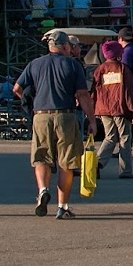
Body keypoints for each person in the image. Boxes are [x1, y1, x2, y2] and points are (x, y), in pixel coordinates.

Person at [14, 28, 93, 219]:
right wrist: (92, 119)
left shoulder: (35, 64)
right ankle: (62, 206)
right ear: (65, 46)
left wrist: (34, 104)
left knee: (41, 157)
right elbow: (82, 94)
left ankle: (42, 190)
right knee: (66, 161)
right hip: (66, 115)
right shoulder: (73, 65)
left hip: (40, 115)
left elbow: (17, 88)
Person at [92, 40, 133, 178]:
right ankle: (125, 170)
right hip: (120, 109)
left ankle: (97, 163)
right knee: (125, 138)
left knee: (110, 137)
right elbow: (130, 91)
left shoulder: (99, 69)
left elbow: (94, 90)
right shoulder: (122, 69)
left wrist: (95, 109)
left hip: (104, 109)